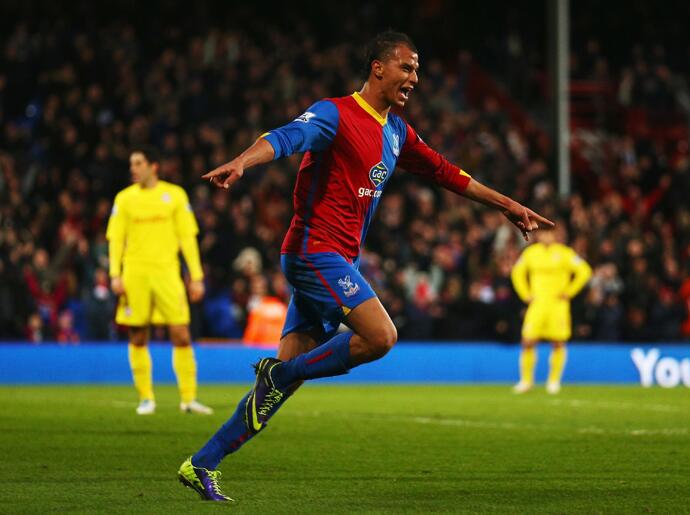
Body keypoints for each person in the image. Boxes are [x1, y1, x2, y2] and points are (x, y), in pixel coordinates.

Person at [177, 31, 554, 501]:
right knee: (381, 336)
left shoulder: (396, 131)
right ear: (378, 67)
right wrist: (243, 161)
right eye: (406, 67)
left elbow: (446, 172)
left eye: (417, 70)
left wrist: (507, 204)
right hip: (313, 252)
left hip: (337, 259)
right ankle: (280, 374)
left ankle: (202, 463)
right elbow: (286, 137)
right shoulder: (336, 113)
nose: (414, 78)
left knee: (281, 384)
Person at [106, 146, 212, 416]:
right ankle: (146, 398)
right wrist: (115, 274)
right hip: (135, 274)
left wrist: (196, 276)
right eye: (132, 163)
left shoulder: (175, 195)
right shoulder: (124, 199)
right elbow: (116, 239)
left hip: (167, 273)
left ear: (153, 166)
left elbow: (187, 238)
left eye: (138, 163)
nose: (133, 168)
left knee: (181, 334)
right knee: (138, 335)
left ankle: (188, 399)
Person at [510, 227, 592, 394]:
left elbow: (585, 271)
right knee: (527, 341)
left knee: (558, 342)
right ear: (539, 235)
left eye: (549, 234)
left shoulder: (565, 253)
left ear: (555, 236)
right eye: (543, 234)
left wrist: (569, 292)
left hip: (557, 305)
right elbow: (517, 273)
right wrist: (525, 294)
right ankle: (526, 381)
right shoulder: (531, 253)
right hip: (537, 304)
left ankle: (553, 381)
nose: (546, 237)